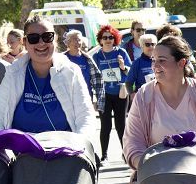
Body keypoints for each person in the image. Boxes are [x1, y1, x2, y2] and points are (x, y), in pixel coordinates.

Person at [123, 36, 196, 178]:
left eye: (162, 60)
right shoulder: (144, 96)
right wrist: (143, 165)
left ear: (181, 62)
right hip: (156, 179)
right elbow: (133, 142)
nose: (155, 66)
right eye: (153, 60)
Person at [0, 15, 94, 138]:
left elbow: (85, 116)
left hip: (63, 153)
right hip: (21, 154)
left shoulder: (71, 72)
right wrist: (0, 150)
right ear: (25, 43)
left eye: (47, 37)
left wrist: (79, 145)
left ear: (55, 39)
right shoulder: (13, 74)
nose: (41, 43)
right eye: (33, 38)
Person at [92, 24, 131, 161]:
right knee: (105, 125)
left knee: (121, 125)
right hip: (104, 94)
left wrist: (122, 66)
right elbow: (94, 76)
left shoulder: (121, 53)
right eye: (105, 37)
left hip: (120, 93)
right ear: (100, 40)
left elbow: (130, 72)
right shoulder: (97, 56)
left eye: (111, 37)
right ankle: (104, 155)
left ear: (115, 39)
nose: (108, 40)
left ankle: (126, 154)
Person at [62, 30, 104, 117]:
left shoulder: (88, 59)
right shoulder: (61, 59)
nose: (78, 42)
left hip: (85, 99)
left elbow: (98, 81)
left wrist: (99, 102)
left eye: (79, 40)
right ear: (68, 43)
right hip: (66, 99)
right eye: (75, 39)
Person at [124, 33, 158, 99]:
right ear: (142, 47)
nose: (151, 47)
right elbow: (128, 82)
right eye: (147, 45)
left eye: (153, 44)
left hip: (159, 97)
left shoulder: (161, 61)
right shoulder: (137, 63)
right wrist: (132, 94)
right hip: (143, 97)